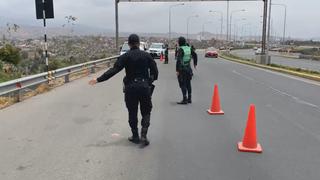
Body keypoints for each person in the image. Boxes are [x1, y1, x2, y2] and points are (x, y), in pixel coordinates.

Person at [89, 34, 158, 147]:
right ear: (138, 43)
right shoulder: (147, 56)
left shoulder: (125, 56)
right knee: (146, 111)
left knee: (132, 112)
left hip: (130, 88)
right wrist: (148, 81)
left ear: (129, 44)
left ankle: (135, 136)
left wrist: (98, 79)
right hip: (144, 87)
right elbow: (155, 72)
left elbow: (114, 70)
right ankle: (144, 135)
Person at [176, 37, 197, 104]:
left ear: (180, 42)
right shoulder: (189, 48)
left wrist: (177, 70)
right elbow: (195, 55)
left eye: (178, 41)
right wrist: (195, 63)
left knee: (182, 84)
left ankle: (184, 99)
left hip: (182, 69)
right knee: (188, 83)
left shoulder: (181, 49)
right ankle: (189, 98)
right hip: (188, 68)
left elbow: (179, 60)